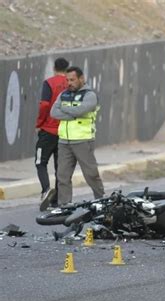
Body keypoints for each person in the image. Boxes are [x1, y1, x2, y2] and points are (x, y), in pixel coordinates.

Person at [50, 66, 105, 206]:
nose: (69, 83)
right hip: (64, 141)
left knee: (91, 174)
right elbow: (53, 113)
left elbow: (80, 111)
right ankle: (64, 205)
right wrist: (71, 113)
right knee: (62, 176)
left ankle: (102, 201)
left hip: (83, 140)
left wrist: (65, 109)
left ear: (81, 79)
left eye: (72, 80)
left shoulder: (90, 95)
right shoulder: (63, 94)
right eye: (67, 80)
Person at [36, 57, 69, 211]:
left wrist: (39, 123)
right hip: (64, 131)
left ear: (54, 68)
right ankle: (56, 200)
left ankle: (46, 190)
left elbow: (44, 105)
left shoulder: (49, 83)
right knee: (59, 165)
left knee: (40, 162)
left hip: (48, 129)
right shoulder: (71, 84)